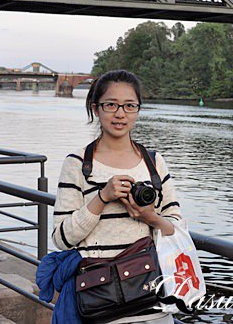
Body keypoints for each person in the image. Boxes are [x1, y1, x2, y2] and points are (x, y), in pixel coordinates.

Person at [52, 70, 182, 324]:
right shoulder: (78, 164)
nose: (120, 114)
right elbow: (61, 238)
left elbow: (176, 229)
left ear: (138, 110)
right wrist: (102, 198)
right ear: (96, 108)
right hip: (100, 302)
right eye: (111, 105)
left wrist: (150, 217)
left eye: (129, 106)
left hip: (152, 302)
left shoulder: (154, 162)